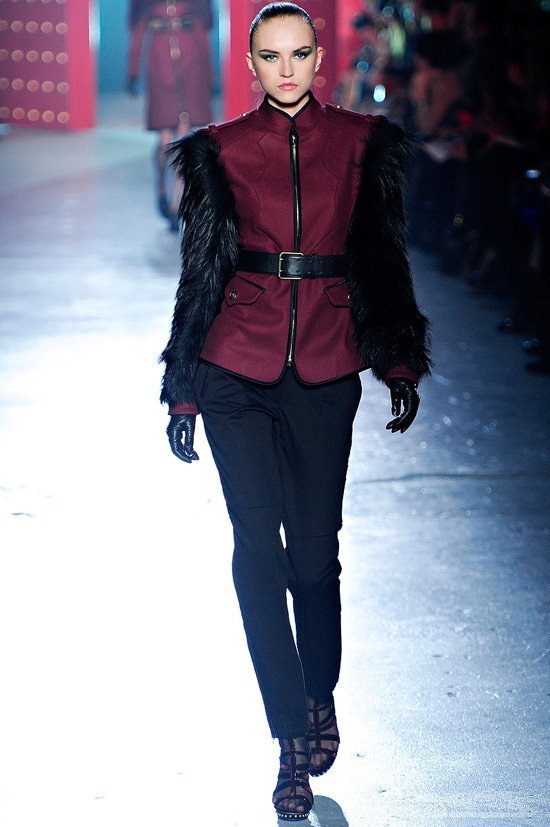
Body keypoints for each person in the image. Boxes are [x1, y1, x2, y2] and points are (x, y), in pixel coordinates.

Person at [160, 3, 431, 819]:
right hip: (234, 366)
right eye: (271, 56)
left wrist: (398, 355)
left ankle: (319, 692)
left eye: (299, 54)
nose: (286, 69)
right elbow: (201, 270)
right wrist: (183, 384)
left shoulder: (362, 144)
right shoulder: (219, 150)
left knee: (314, 556)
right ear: (251, 65)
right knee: (256, 549)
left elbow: (382, 254)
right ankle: (288, 741)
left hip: (325, 361)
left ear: (319, 60)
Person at [127, 0, 213, 229]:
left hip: (190, 59)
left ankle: (177, 203)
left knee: (182, 134)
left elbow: (202, 28)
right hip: (159, 60)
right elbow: (138, 28)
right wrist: (132, 70)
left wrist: (209, 75)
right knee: (165, 138)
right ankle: (162, 187)